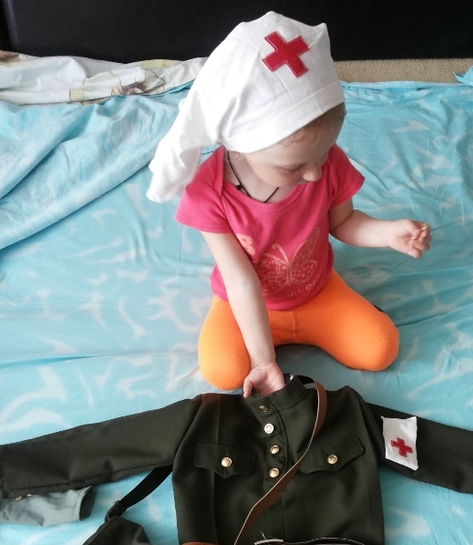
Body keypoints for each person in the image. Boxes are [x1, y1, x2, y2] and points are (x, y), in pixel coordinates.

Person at [147, 12, 431, 397]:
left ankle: (317, 323)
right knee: (224, 371)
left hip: (317, 291)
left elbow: (343, 222)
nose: (314, 174)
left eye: (323, 153)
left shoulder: (323, 164)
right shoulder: (208, 192)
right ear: (239, 147)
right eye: (293, 166)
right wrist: (263, 361)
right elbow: (241, 280)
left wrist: (387, 233)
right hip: (246, 304)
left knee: (380, 348)